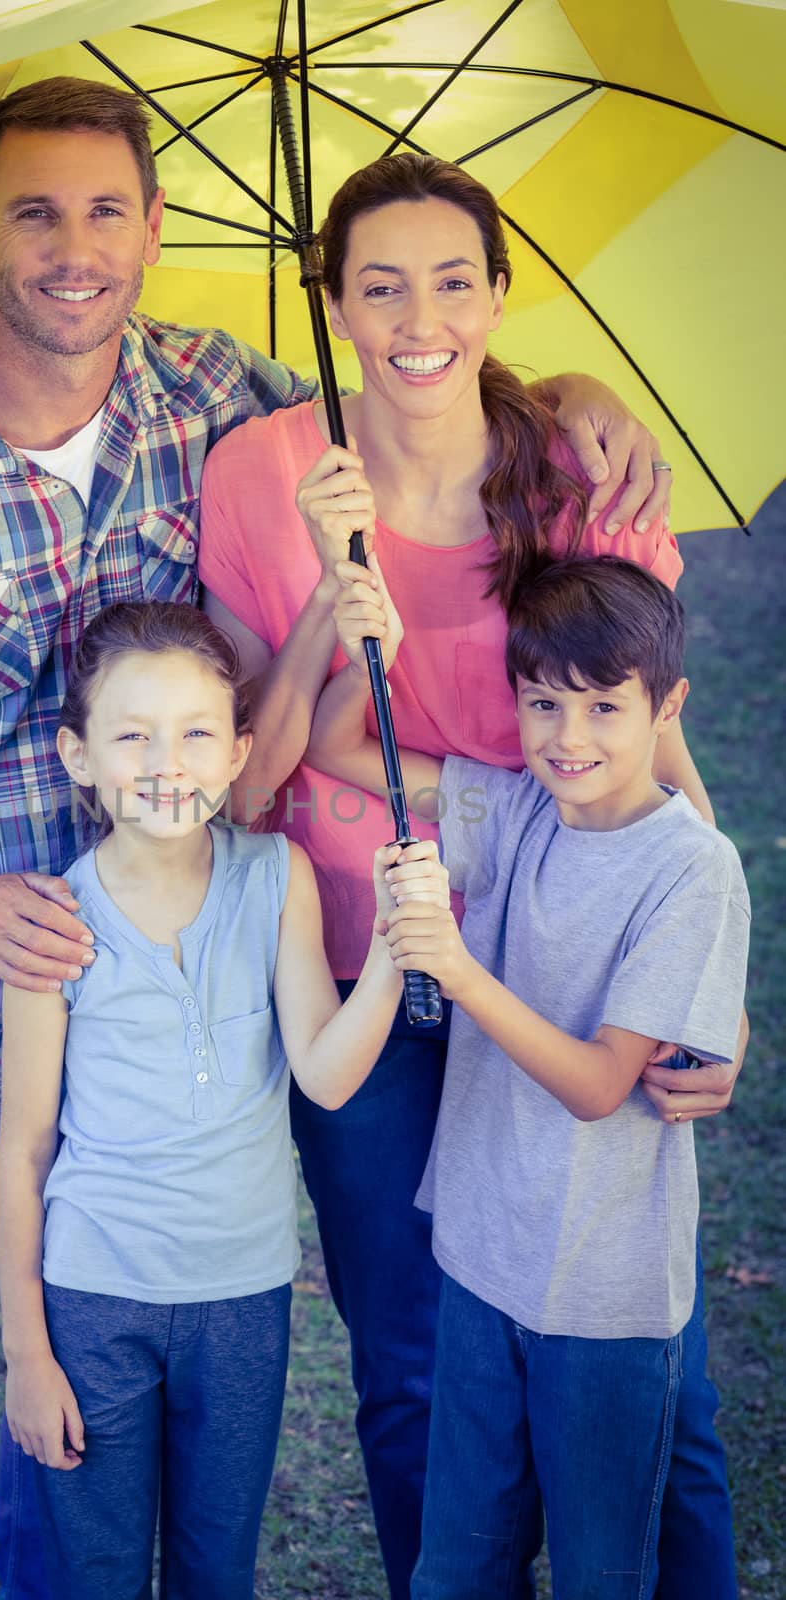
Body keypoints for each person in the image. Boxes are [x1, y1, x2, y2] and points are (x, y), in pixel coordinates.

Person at [0, 74, 678, 1599]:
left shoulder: (217, 400)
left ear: (156, 230)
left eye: (107, 210)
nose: (73, 246)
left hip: (171, 1014)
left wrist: (565, 399)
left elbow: (414, 363)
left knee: (137, 1387)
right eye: (32, 211)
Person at [197, 151, 746, 1598]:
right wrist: (326, 593)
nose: (416, 317)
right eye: (374, 286)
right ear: (326, 301)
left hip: (564, 959)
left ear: (502, 295)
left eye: (453, 280)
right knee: (408, 1362)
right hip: (362, 960)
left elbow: (649, 745)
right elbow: (250, 782)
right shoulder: (259, 478)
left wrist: (710, 995)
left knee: (649, 1358)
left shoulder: (582, 468)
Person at [312, 553, 750, 1597]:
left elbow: (602, 1083)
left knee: (602, 1569)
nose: (567, 737)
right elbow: (339, 741)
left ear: (666, 705)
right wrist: (373, 647)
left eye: (604, 706)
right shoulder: (509, 812)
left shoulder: (689, 868)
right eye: (542, 702)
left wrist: (456, 970)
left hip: (602, 1294)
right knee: (458, 1560)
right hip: (480, 1261)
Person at [0, 599, 435, 1598]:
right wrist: (26, 1351)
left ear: (240, 752)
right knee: (96, 1569)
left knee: (214, 1569)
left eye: (196, 732)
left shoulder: (274, 876)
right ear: (78, 754)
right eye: (132, 734)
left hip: (241, 1296)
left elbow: (323, 1072)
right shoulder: (51, 921)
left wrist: (390, 950)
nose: (166, 761)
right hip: (95, 1297)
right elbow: (22, 1151)